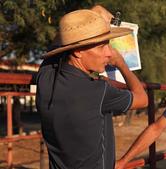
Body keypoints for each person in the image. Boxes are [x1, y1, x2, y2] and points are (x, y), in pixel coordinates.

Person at [35, 5, 148, 169]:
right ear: (78, 51)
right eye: (102, 46)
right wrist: (121, 64)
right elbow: (142, 99)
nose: (109, 53)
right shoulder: (97, 91)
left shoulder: (45, 75)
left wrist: (92, 14)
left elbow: (59, 43)